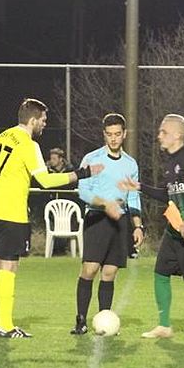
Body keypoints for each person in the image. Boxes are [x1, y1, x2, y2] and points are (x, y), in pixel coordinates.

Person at [0, 98, 103, 338]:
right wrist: (82, 174)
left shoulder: (2, 137)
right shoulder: (28, 144)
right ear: (33, 120)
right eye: (43, 120)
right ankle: (6, 326)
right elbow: (46, 181)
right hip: (11, 213)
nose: (44, 124)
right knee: (9, 266)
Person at [119, 114, 184, 340]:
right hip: (174, 230)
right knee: (161, 273)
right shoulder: (170, 163)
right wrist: (140, 187)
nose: (159, 135)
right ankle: (164, 326)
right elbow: (167, 194)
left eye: (163, 132)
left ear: (178, 135)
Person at [70, 113, 144, 334]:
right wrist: (105, 204)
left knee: (110, 272)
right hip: (97, 218)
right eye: (109, 134)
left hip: (120, 221)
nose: (113, 138)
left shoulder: (130, 164)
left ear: (124, 134)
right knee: (90, 269)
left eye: (117, 134)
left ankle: (104, 321)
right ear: (104, 134)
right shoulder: (92, 158)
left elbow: (133, 196)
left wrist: (138, 225)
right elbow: (83, 191)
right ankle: (81, 320)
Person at [46, 147, 77, 255]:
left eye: (54, 159)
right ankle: (54, 250)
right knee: (52, 224)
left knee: (68, 225)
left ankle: (64, 249)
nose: (52, 161)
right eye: (51, 158)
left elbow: (72, 184)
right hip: (51, 203)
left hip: (67, 203)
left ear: (60, 159)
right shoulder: (47, 170)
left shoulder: (70, 170)